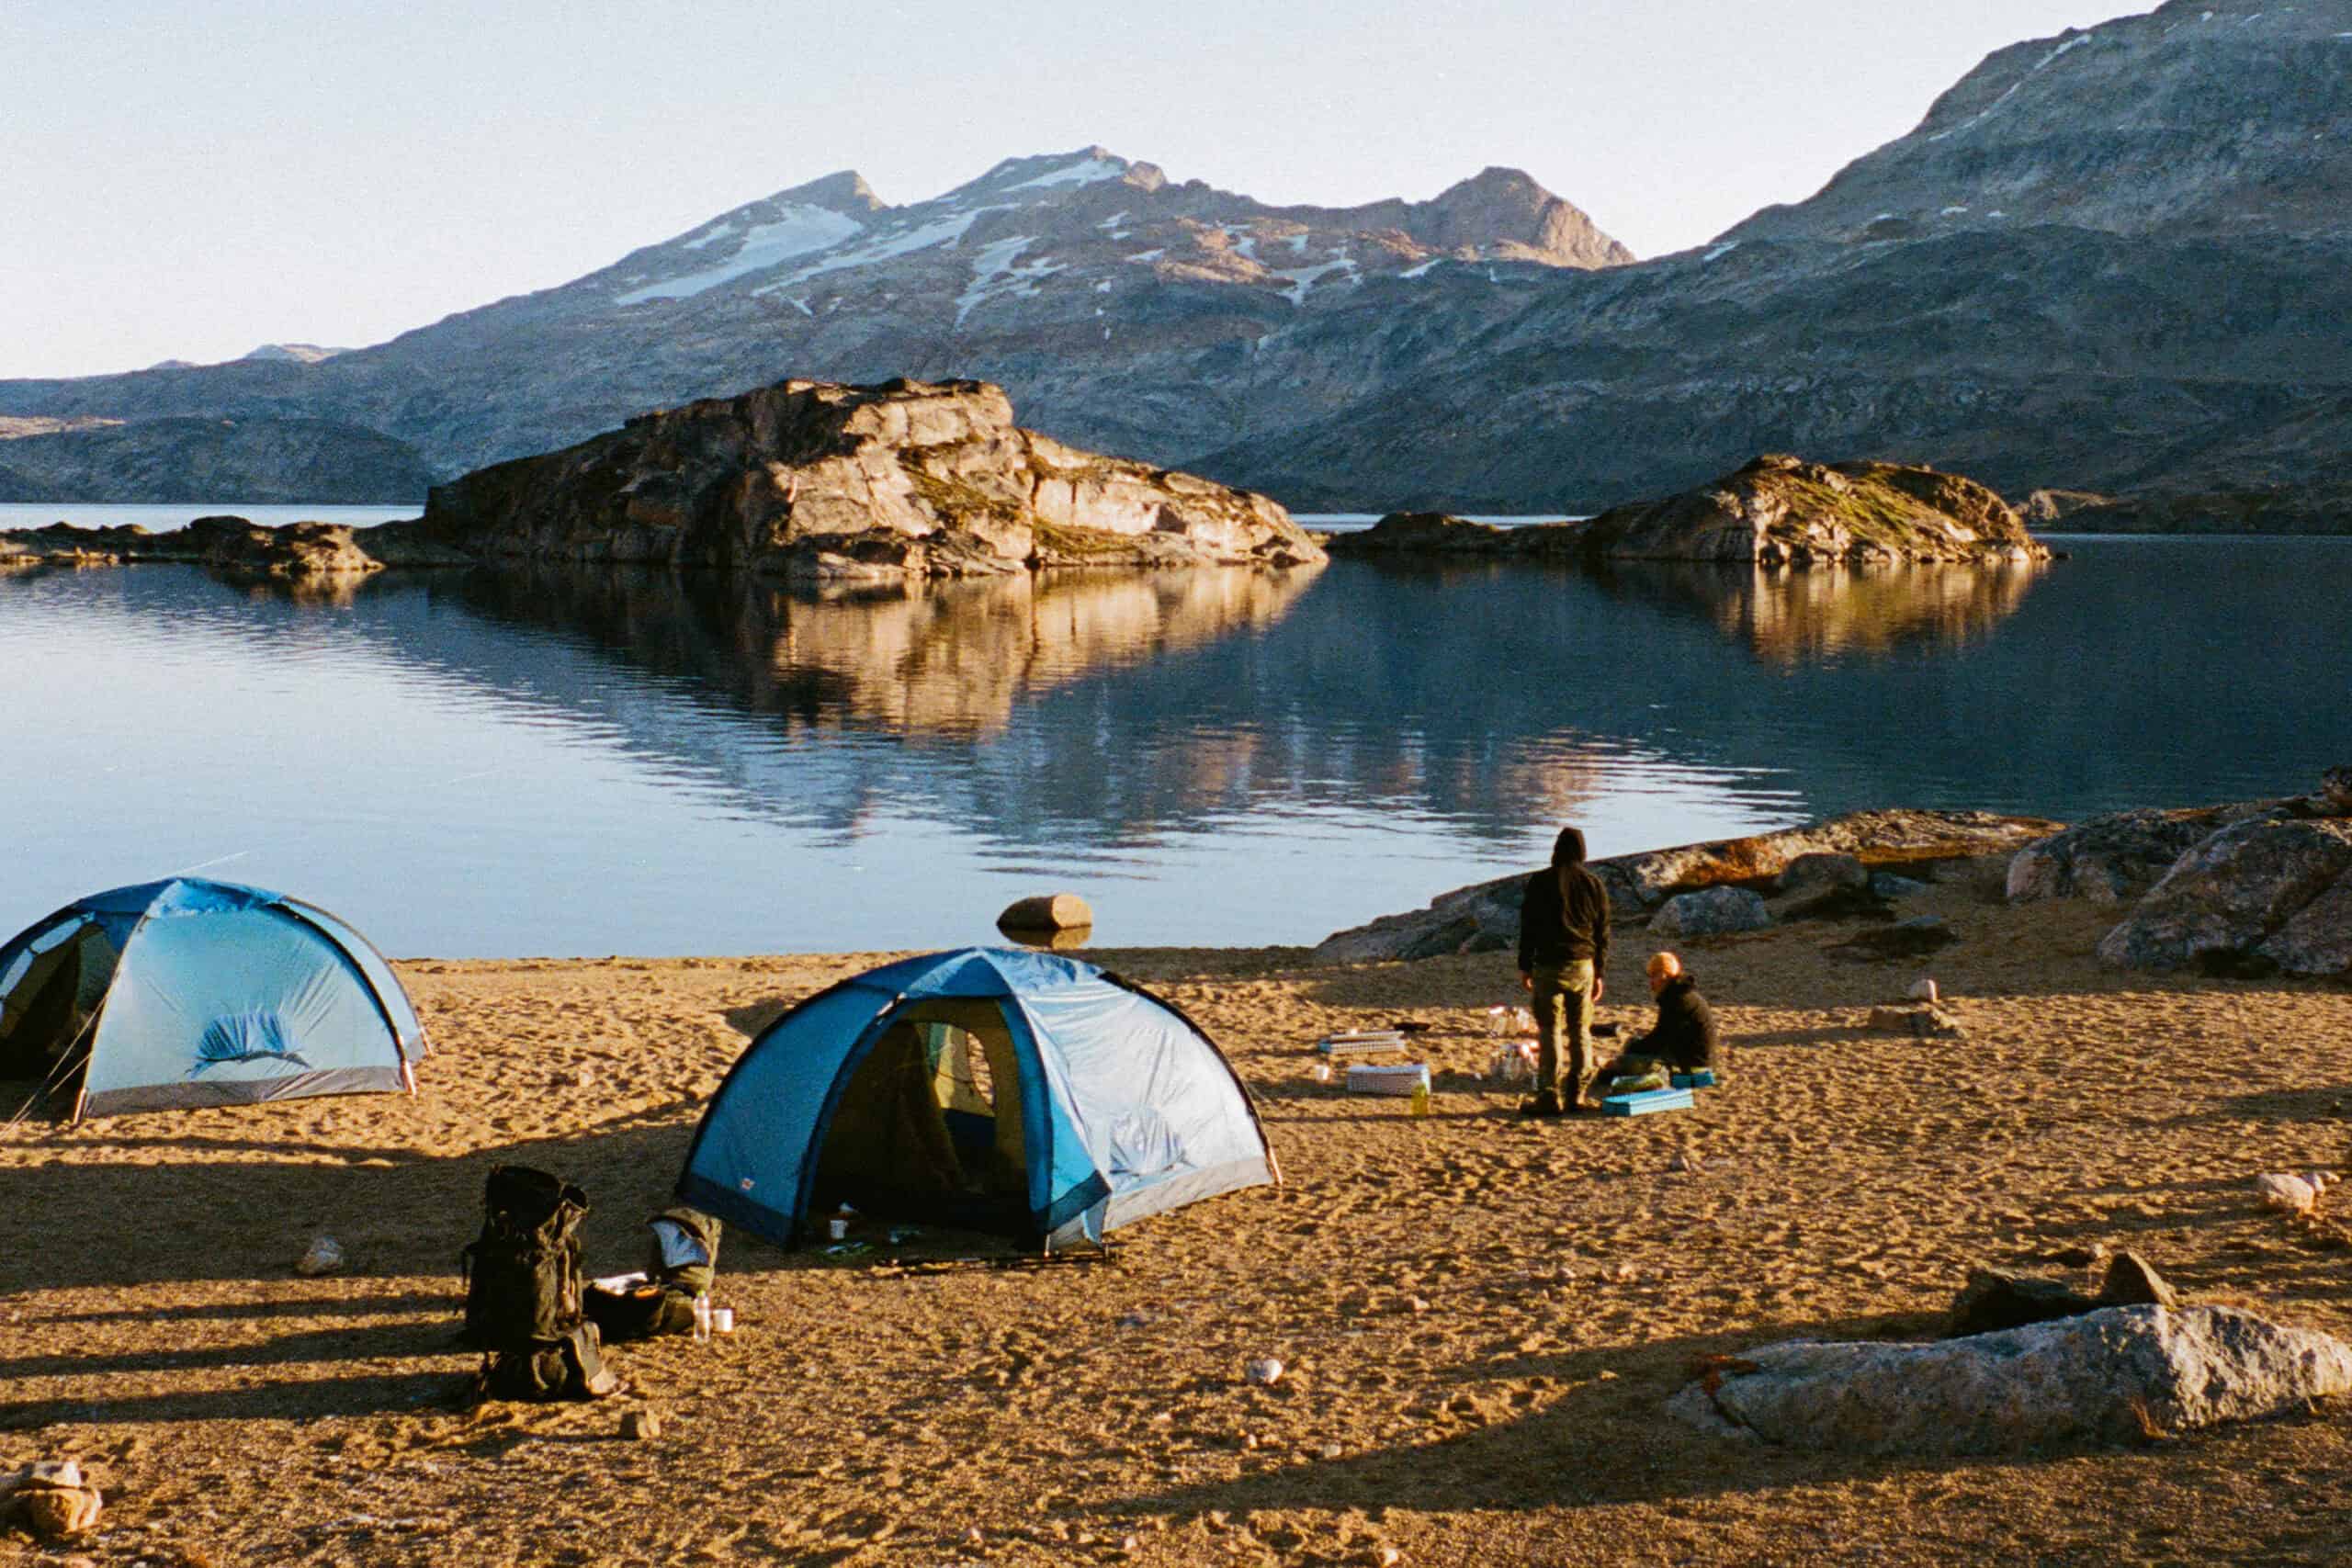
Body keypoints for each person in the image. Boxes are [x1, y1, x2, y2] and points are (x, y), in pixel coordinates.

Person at [1516, 826, 1610, 1116]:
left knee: (1549, 1029)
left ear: (1556, 850)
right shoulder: (1593, 884)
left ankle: (1548, 1094)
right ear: (1582, 852)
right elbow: (1602, 933)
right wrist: (1599, 971)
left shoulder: (1540, 882)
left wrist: (1525, 965)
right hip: (1582, 965)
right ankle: (1577, 1093)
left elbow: (1528, 928)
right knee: (1580, 1029)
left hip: (1548, 964)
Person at [1595, 951, 1721, 1089]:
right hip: (1691, 1057)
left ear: (1663, 975)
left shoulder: (1677, 1000)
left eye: (1653, 976)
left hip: (1694, 1066)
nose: (1651, 982)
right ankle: (1619, 1066)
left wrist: (1633, 1051)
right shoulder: (1680, 993)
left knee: (1630, 1058)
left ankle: (1618, 1067)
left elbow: (1660, 1038)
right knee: (1632, 1046)